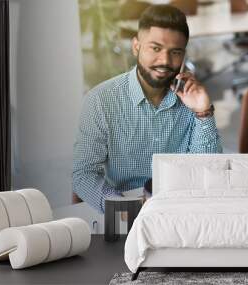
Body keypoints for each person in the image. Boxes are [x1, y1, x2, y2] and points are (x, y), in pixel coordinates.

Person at [73, 4, 222, 213]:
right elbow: (84, 174)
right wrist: (123, 211)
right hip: (123, 210)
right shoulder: (100, 100)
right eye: (156, 48)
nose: (165, 61)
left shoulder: (191, 98)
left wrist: (202, 112)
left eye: (175, 52)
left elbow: (207, 171)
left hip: (181, 209)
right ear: (136, 46)